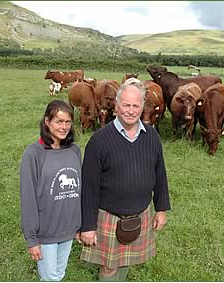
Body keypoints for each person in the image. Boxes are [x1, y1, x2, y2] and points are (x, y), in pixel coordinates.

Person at [79, 78, 171, 281]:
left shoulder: (152, 136)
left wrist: (161, 208)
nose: (131, 110)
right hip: (109, 217)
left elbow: (160, 174)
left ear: (142, 106)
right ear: (116, 106)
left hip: (141, 213)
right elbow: (89, 187)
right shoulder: (100, 140)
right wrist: (87, 226)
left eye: (135, 106)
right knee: (109, 268)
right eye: (126, 105)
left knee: (127, 261)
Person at [19, 100, 82, 281]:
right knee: (50, 278)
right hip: (46, 232)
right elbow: (28, 198)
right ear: (47, 122)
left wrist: (79, 225)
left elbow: (79, 189)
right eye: (59, 122)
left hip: (68, 229)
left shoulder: (74, 150)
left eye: (68, 122)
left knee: (59, 275)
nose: (64, 127)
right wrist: (32, 238)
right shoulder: (34, 154)